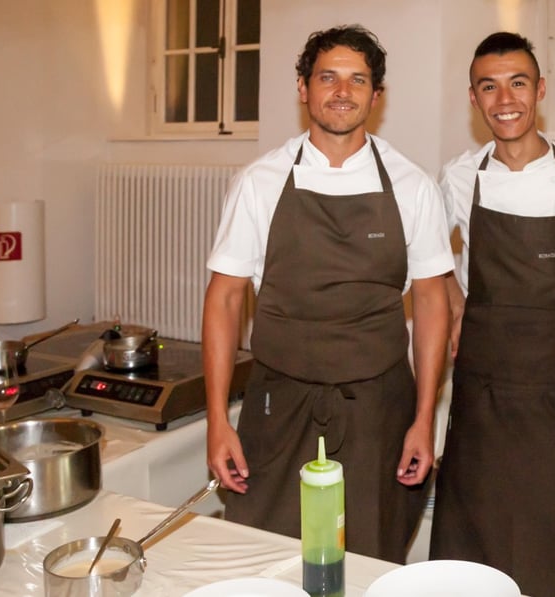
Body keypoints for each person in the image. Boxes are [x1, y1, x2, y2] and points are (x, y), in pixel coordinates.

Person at [201, 24, 453, 564]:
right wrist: (218, 420)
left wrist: (424, 418)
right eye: (328, 77)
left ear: (376, 96)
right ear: (303, 88)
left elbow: (433, 304)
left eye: (358, 80)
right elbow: (223, 300)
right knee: (263, 554)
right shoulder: (261, 181)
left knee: (368, 557)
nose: (343, 91)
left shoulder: (412, 187)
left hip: (379, 409)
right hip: (277, 402)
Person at [429, 32, 555, 597]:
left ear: (540, 90)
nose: (504, 99)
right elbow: (426, 264)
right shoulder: (459, 176)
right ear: (473, 98)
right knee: (474, 564)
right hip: (481, 403)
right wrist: (456, 298)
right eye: (488, 87)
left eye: (517, 83)